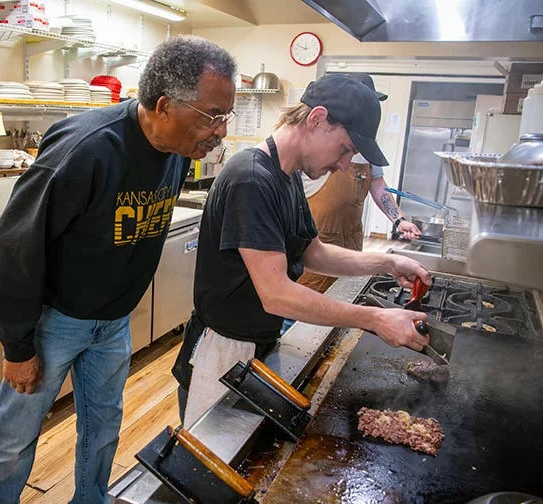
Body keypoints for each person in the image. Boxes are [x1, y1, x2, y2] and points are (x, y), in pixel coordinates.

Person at [0, 36, 237, 504]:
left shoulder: (181, 148)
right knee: (14, 440)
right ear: (164, 106)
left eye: (226, 115)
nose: (220, 131)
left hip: (112, 323)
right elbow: (13, 247)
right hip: (52, 323)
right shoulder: (86, 148)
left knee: (101, 434)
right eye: (211, 116)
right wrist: (17, 344)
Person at [172, 74, 432, 425]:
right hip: (222, 353)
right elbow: (276, 295)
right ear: (317, 120)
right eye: (345, 150)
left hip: (257, 344)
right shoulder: (251, 179)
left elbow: (314, 253)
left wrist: (387, 262)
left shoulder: (288, 175)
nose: (344, 165)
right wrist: (375, 319)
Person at [297, 73, 421, 294]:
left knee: (343, 298)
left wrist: (398, 219)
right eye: (344, 151)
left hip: (350, 245)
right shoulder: (305, 156)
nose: (344, 163)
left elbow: (378, 184)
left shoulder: (365, 149)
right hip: (315, 247)